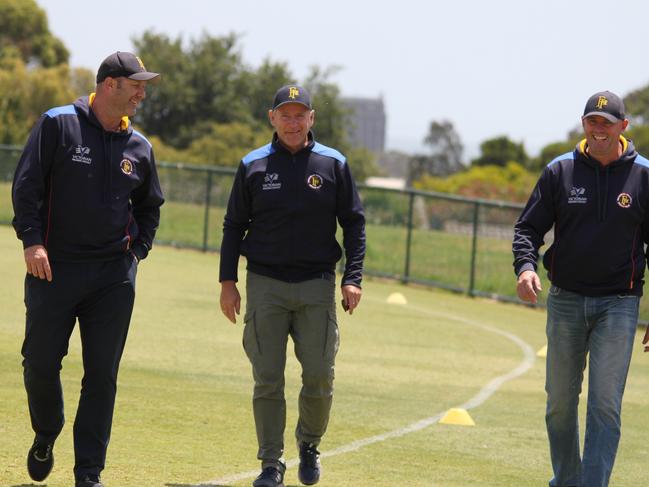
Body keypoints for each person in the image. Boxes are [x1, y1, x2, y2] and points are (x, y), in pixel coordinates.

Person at [11, 51, 164, 487]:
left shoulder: (140, 146)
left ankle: (89, 473)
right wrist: (33, 241)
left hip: (113, 277)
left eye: (144, 85)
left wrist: (137, 254)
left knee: (102, 375)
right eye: (135, 84)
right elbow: (27, 186)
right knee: (39, 363)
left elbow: (151, 206)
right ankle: (46, 432)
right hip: (52, 269)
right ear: (109, 84)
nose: (142, 92)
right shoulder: (58, 124)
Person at [219, 84, 365, 487]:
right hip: (265, 284)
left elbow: (354, 223)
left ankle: (309, 444)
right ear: (272, 118)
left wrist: (352, 278)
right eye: (286, 114)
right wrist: (227, 281)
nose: (293, 121)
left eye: (301, 114)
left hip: (317, 285)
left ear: (312, 119)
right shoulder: (252, 164)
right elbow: (234, 225)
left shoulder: (333, 164)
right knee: (267, 377)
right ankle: (270, 463)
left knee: (319, 375)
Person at [513, 90, 649, 487]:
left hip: (619, 305)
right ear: (583, 123)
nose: (598, 129)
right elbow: (527, 229)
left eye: (607, 123)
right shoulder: (560, 171)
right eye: (592, 121)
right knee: (558, 404)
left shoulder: (643, 176)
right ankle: (567, 480)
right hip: (566, 300)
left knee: (605, 405)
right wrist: (525, 268)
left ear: (624, 127)